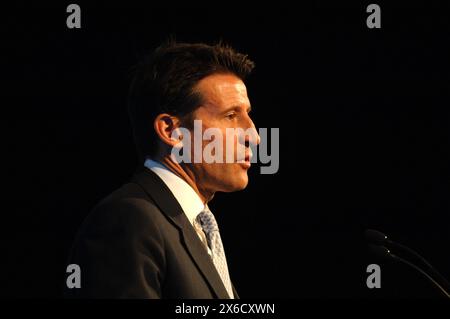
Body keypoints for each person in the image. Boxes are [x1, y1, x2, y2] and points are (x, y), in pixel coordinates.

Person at [65, 40, 260, 298]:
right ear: (171, 131)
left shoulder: (195, 227)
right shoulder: (128, 220)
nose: (254, 136)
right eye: (231, 116)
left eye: (247, 114)